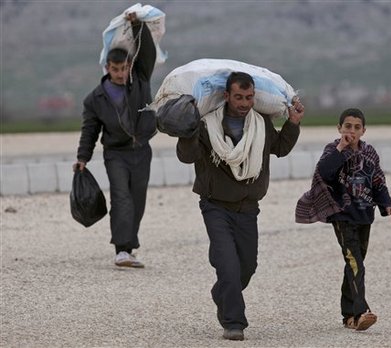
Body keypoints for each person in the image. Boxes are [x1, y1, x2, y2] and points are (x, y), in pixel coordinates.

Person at [176, 72, 304, 341]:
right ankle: (234, 322)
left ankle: (221, 292)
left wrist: (292, 124)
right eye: (239, 97)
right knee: (228, 266)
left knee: (247, 266)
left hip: (248, 208)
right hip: (215, 206)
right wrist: (186, 131)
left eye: (249, 97)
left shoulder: (261, 124)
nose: (245, 103)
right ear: (226, 96)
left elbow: (279, 148)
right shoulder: (205, 125)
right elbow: (186, 157)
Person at [295, 108, 391, 331]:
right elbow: (323, 172)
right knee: (355, 263)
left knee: (354, 263)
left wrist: (387, 204)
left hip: (364, 215)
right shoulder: (333, 150)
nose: (351, 131)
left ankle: (348, 316)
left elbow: (378, 182)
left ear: (363, 130)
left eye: (356, 127)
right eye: (347, 126)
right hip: (342, 215)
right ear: (339, 128)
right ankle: (361, 311)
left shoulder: (369, 153)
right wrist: (341, 148)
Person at [73, 12, 157, 268]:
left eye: (124, 69)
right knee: (121, 197)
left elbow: (148, 53)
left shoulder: (140, 80)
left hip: (142, 149)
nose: (120, 74)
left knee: (138, 198)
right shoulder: (94, 99)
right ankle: (121, 249)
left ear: (129, 66)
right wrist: (82, 157)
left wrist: (136, 25)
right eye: (115, 69)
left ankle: (129, 247)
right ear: (107, 68)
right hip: (116, 153)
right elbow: (90, 131)